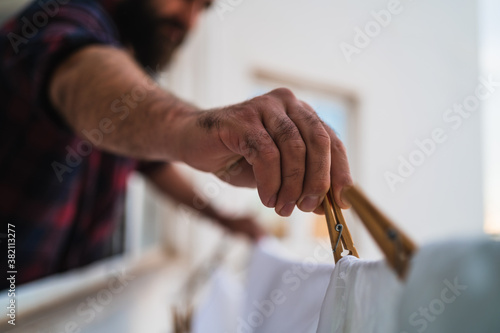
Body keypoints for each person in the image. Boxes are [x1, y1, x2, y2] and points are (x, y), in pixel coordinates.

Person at [0, 0, 352, 288]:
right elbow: (81, 72)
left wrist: (224, 219)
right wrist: (191, 127)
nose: (189, 20)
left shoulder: (125, 63)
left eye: (202, 7)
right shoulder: (61, 17)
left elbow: (151, 163)